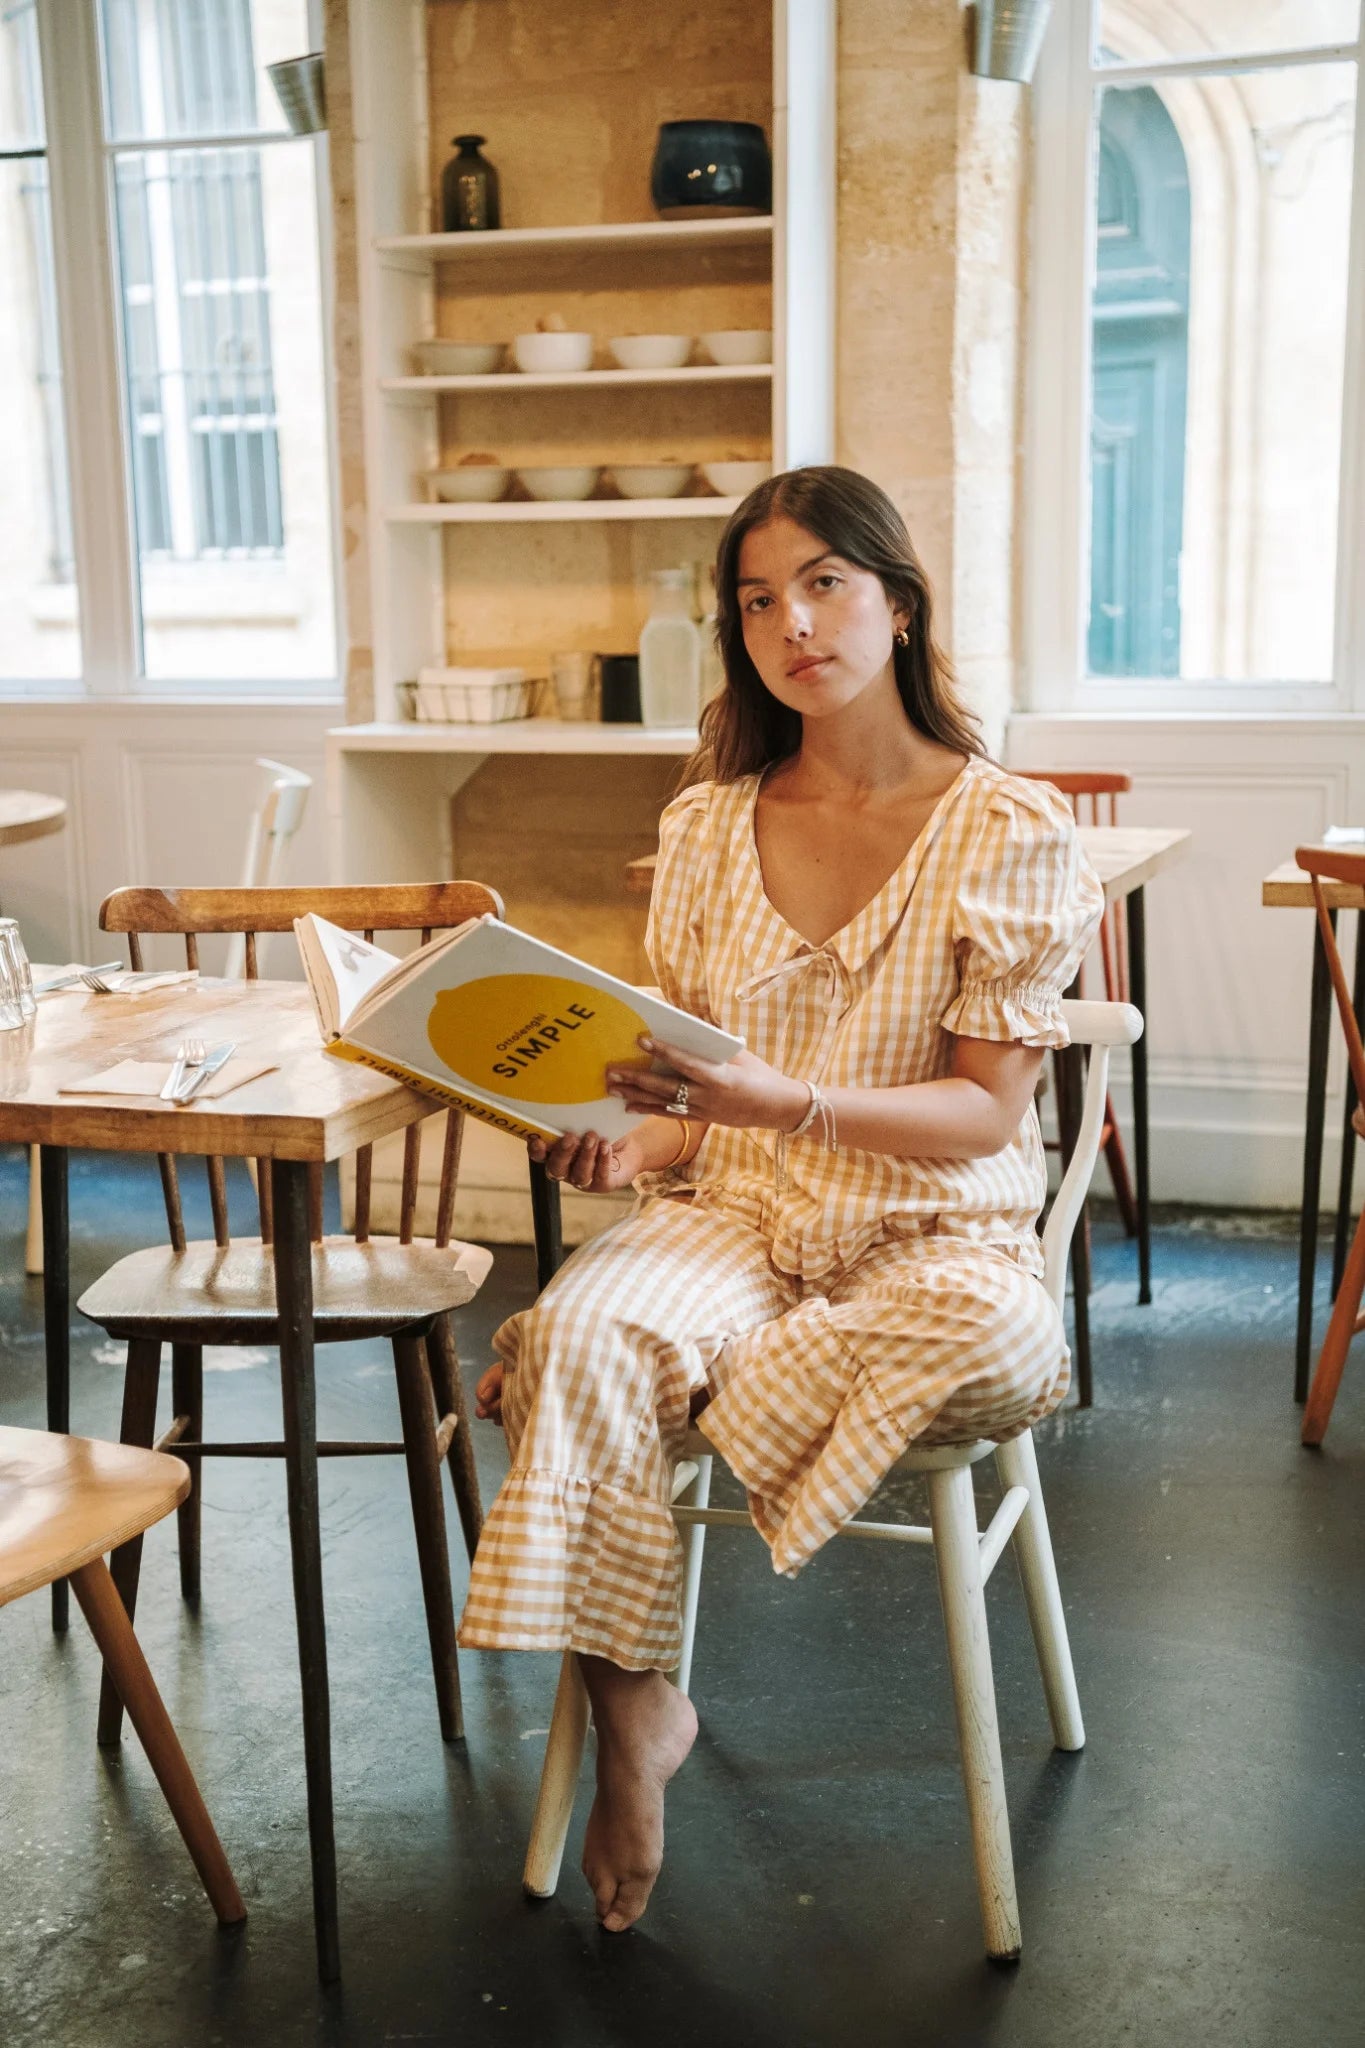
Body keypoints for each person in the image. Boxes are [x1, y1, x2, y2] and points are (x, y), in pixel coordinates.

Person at [457, 465, 1104, 1936]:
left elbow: (986, 1111)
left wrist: (792, 1102)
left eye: (822, 584)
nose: (790, 623)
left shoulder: (1004, 825)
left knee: (985, 1343)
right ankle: (637, 1718)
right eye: (756, 601)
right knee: (579, 1335)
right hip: (732, 1214)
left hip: (930, 1227)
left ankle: (628, 1397)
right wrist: (630, 1148)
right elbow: (680, 1101)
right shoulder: (703, 826)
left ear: (895, 601)